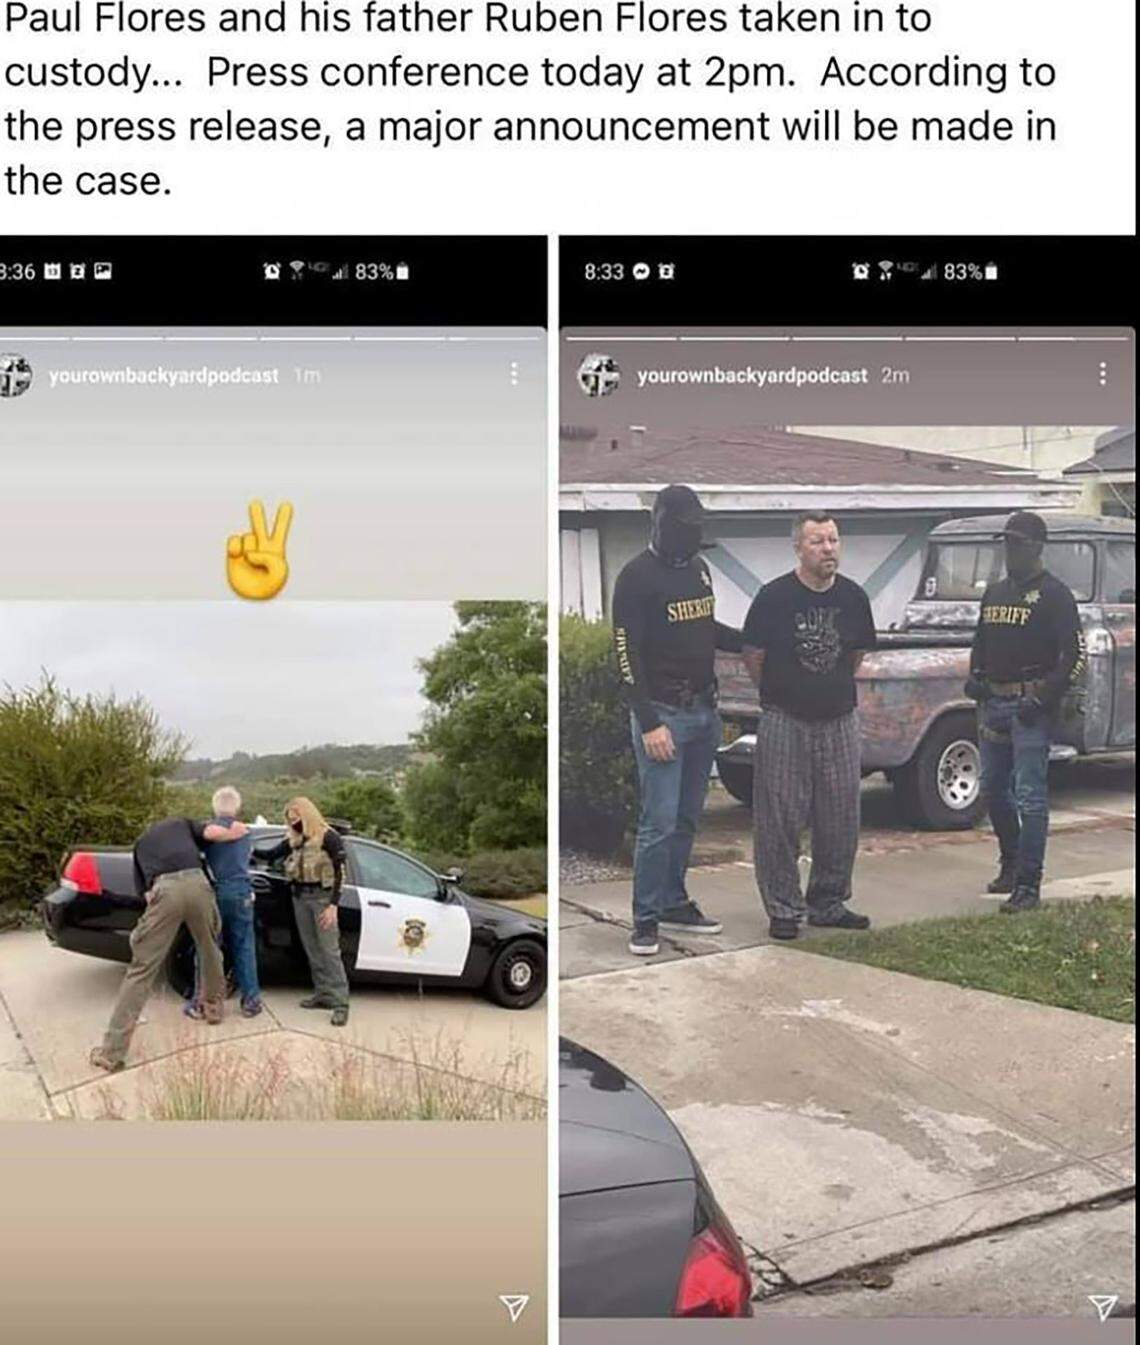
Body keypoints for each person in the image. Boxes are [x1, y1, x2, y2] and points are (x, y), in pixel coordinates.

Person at [611, 483, 743, 956]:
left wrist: (752, 638)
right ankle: (644, 919)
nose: (692, 540)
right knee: (659, 822)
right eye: (685, 531)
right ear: (663, 526)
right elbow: (627, 656)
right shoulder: (635, 578)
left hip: (704, 712)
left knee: (687, 818)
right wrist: (649, 723)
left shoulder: (699, 571)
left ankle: (673, 900)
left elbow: (707, 629)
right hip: (663, 715)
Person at [743, 511, 876, 940]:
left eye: (834, 540)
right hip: (785, 719)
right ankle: (783, 908)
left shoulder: (854, 598)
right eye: (818, 542)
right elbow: (754, 656)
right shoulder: (774, 597)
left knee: (840, 816)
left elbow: (854, 656)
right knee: (779, 819)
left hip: (838, 719)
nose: (828, 549)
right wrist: (782, 693)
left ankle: (829, 902)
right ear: (799, 548)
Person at [966, 511, 1086, 913]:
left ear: (1036, 547)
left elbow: (1074, 656)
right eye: (1006, 543)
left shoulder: (1055, 596)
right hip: (994, 702)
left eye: (1016, 543)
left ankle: (1028, 885)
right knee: (992, 788)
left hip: (1030, 705)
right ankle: (1010, 862)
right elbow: (980, 640)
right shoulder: (995, 593)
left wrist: (1044, 698)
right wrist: (975, 676)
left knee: (1030, 795)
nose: (1009, 550)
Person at [89, 814, 246, 1072]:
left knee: (141, 969)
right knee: (209, 950)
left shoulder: (141, 844)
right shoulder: (182, 823)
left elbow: (148, 894)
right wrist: (235, 832)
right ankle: (213, 1009)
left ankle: (112, 1053)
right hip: (198, 885)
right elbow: (213, 834)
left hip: (165, 890)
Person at [257, 797, 349, 1024]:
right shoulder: (295, 839)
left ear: (307, 814)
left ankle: (340, 1003)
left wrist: (333, 906)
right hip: (300, 897)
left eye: (296, 818)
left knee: (329, 951)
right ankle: (323, 993)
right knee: (312, 949)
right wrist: (240, 844)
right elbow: (269, 855)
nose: (293, 822)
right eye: (290, 819)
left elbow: (340, 873)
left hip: (322, 899)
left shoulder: (328, 837)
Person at [185, 786, 263, 1020]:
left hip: (215, 892)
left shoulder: (208, 832)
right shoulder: (246, 832)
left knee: (209, 950)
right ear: (237, 807)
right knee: (244, 948)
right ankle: (251, 1001)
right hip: (241, 892)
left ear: (214, 806)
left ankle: (205, 1003)